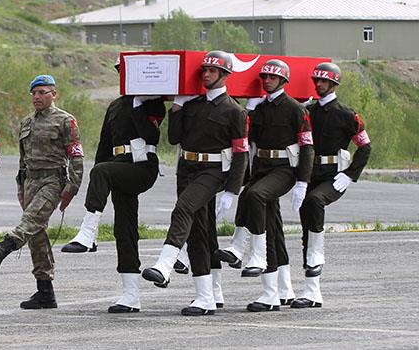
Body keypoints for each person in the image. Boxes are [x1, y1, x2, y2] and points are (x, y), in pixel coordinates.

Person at [141, 50, 248, 316]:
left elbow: (241, 154)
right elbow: (174, 138)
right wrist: (177, 107)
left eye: (212, 71)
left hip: (213, 172)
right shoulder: (192, 105)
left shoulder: (235, 111)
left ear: (224, 75)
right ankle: (205, 297)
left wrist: (232, 191)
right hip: (187, 168)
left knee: (182, 209)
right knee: (199, 233)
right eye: (204, 71)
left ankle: (165, 264)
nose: (207, 75)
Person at [59, 58, 166, 313]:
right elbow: (104, 144)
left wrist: (139, 105)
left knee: (103, 171)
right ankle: (131, 296)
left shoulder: (153, 102)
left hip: (142, 167)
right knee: (124, 229)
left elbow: (152, 136)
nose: (123, 76)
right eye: (120, 72)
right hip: (117, 168)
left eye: (127, 72)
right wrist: (96, 174)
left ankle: (88, 234)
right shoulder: (116, 105)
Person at [214, 59, 314, 312]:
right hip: (262, 168)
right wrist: (249, 111)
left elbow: (307, 148)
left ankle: (253, 253)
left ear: (283, 80)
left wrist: (302, 182)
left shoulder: (296, 109)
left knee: (255, 195)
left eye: (272, 77)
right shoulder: (260, 109)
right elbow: (246, 138)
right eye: (264, 77)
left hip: (284, 170)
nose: (266, 80)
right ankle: (282, 289)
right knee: (271, 223)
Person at [0, 74, 84, 310]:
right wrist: (20, 187)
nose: (37, 97)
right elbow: (22, 158)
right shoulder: (27, 122)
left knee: (30, 220)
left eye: (42, 92)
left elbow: (76, 155)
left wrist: (72, 187)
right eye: (34, 93)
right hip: (30, 181)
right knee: (36, 235)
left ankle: (4, 247)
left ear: (53, 94)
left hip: (53, 180)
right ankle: (45, 292)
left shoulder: (65, 121)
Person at [291, 62, 371, 309]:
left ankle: (314, 277)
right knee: (306, 226)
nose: (319, 85)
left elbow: (365, 146)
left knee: (315, 202)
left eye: (324, 81)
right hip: (310, 173)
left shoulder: (347, 115)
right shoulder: (309, 111)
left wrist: (350, 174)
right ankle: (312, 291)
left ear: (334, 84)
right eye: (317, 80)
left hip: (334, 177)